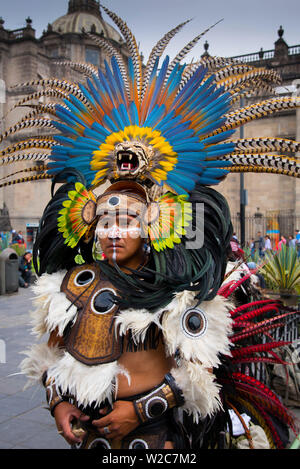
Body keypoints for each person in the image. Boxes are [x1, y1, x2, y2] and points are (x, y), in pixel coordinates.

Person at [14, 5, 298, 450]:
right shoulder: (69, 286)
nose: (111, 231)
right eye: (103, 219)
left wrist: (137, 411)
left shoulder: (180, 292)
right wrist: (58, 402)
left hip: (158, 440)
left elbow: (200, 373)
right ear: (84, 222)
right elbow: (51, 355)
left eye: (126, 219)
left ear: (155, 223)